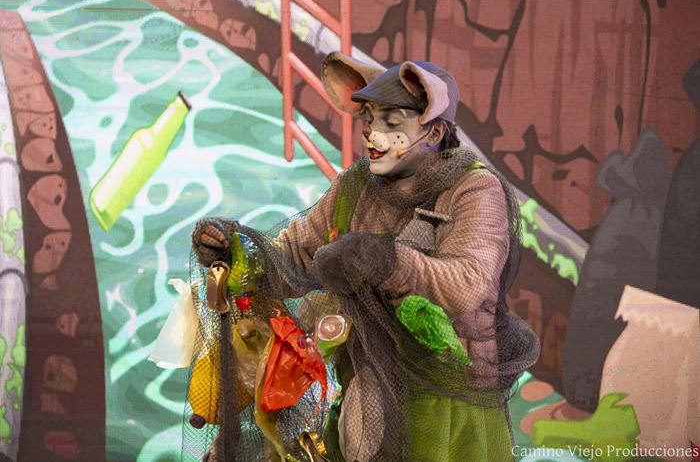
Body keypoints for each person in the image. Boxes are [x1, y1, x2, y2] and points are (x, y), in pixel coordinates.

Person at [191, 52, 539, 462]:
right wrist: (238, 253)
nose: (373, 134)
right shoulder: (354, 187)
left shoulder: (474, 190)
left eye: (392, 123)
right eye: (369, 120)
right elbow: (294, 257)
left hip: (447, 399)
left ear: (433, 132)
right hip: (366, 389)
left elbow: (468, 284)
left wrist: (386, 261)